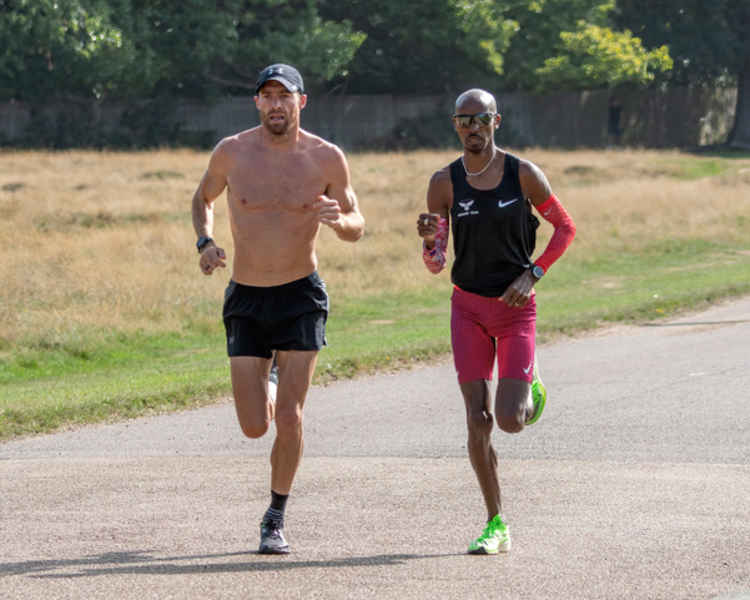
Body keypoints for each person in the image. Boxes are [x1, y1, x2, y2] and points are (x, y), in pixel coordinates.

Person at [191, 63, 365, 554]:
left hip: (299, 297)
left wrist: (339, 221)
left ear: (300, 102)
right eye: (267, 96)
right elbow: (202, 197)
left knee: (289, 417)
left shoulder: (325, 158)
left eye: (284, 96)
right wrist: (205, 240)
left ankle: (275, 516)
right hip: (246, 296)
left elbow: (357, 222)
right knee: (253, 426)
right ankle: (268, 379)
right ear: (257, 103)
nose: (275, 104)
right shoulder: (232, 151)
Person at [416, 88, 576, 554]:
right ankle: (495, 522)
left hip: (513, 309)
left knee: (509, 420)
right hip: (466, 308)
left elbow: (565, 228)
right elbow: (435, 261)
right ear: (455, 125)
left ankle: (531, 388)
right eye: (463, 120)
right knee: (477, 418)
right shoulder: (444, 183)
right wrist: (429, 242)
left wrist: (534, 273)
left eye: (480, 118)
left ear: (496, 120)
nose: (472, 127)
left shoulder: (522, 174)